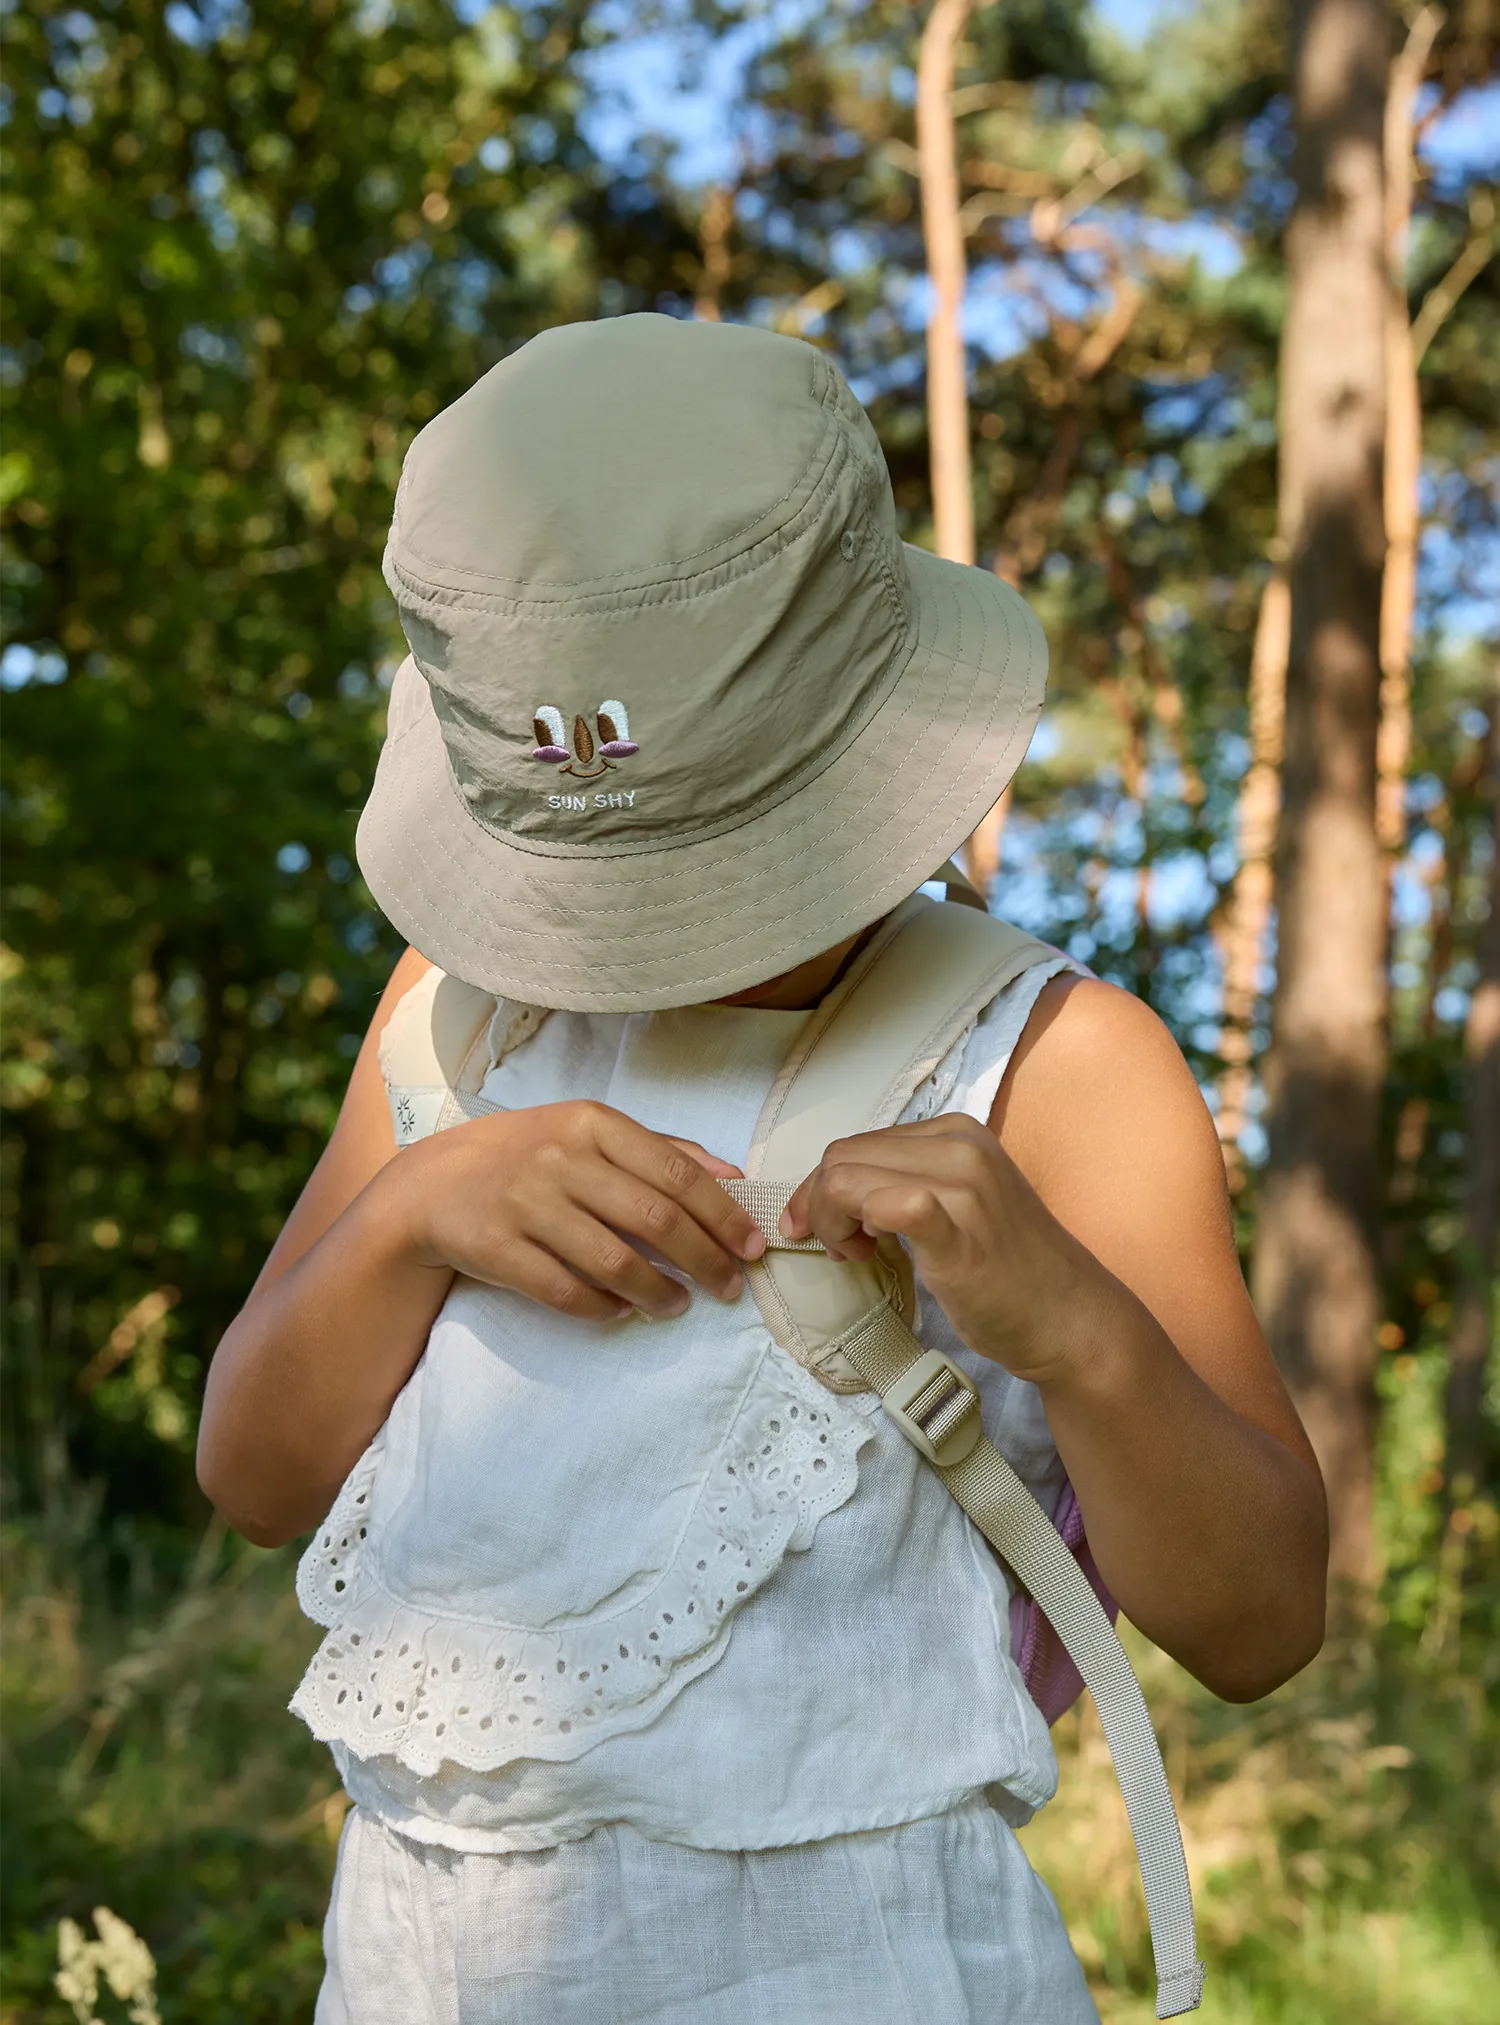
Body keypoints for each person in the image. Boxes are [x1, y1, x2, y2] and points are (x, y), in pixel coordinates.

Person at [198, 314, 1327, 2025]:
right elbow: (255, 1473)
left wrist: (1077, 1331)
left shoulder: (1057, 1067)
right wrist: (407, 1223)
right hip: (419, 1964)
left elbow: (1257, 1624)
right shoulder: (452, 1031)